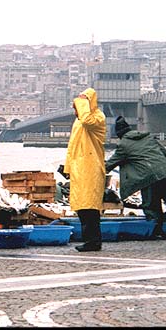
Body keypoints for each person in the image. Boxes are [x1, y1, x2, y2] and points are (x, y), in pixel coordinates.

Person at [105, 116, 166, 239]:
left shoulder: (124, 144)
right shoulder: (149, 137)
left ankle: (155, 231)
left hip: (148, 177)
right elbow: (164, 152)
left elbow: (109, 164)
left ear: (119, 134)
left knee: (151, 206)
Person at [63, 88, 106, 252]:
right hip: (79, 168)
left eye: (78, 106)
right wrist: (68, 167)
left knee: (90, 207)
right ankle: (89, 240)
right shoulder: (79, 121)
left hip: (90, 168)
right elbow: (72, 146)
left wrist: (82, 101)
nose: (76, 110)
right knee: (82, 206)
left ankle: (93, 241)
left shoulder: (97, 118)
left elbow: (88, 120)